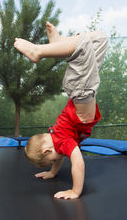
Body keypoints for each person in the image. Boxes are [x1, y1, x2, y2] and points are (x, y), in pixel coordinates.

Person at [14, 22, 108, 199]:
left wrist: (75, 191)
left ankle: (39, 51)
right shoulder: (57, 138)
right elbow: (58, 156)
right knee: (100, 38)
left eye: (52, 161)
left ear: (47, 151)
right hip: (81, 90)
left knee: (83, 45)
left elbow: (78, 163)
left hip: (81, 90)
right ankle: (60, 42)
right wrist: (52, 172)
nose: (57, 160)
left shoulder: (62, 141)